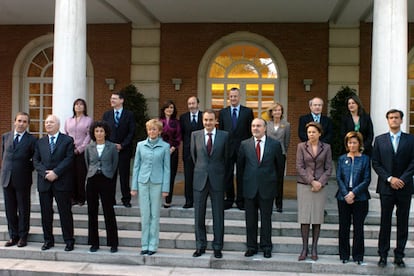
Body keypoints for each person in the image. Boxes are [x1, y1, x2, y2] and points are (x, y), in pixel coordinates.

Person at [372, 109, 414, 268]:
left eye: (396, 118)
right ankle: (382, 255)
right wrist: (390, 179)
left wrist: (402, 179)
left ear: (401, 120)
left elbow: (413, 162)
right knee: (385, 223)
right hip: (386, 188)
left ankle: (399, 256)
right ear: (387, 120)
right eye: (391, 118)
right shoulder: (380, 140)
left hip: (405, 187)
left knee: (403, 223)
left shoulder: (411, 140)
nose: (394, 120)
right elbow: (376, 163)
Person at [238, 118, 284, 259]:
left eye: (258, 126)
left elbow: (279, 169)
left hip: (267, 188)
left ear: (265, 128)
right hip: (249, 188)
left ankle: (266, 246)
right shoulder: (244, 144)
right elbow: (240, 169)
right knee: (250, 220)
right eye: (253, 126)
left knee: (266, 220)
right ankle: (251, 246)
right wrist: (240, 192)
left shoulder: (275, 145)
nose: (255, 128)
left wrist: (277, 192)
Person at [33, 114, 75, 251]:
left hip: (61, 181)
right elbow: (36, 161)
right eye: (46, 123)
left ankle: (69, 240)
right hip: (44, 182)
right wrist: (46, 173)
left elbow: (69, 159)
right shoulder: (40, 142)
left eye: (51, 122)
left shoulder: (67, 140)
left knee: (65, 212)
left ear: (58, 125)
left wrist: (56, 172)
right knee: (46, 213)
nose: (48, 125)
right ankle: (48, 240)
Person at [191, 110, 228, 259]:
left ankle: (217, 246)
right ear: (202, 120)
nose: (208, 123)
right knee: (198, 215)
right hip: (200, 179)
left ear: (215, 121)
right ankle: (200, 245)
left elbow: (227, 158)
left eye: (211, 120)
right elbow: (194, 156)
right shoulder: (195, 135)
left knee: (218, 215)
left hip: (217, 180)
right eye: (205, 120)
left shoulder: (224, 136)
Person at [131, 119, 170, 256]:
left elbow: (167, 169)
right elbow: (136, 166)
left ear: (159, 131)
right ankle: (144, 244)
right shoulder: (140, 145)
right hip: (142, 182)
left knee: (155, 215)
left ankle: (153, 245)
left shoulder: (165, 147)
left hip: (157, 183)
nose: (152, 132)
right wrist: (134, 186)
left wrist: (166, 188)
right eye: (149, 129)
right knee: (144, 215)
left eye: (154, 129)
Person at [296, 122, 332, 261]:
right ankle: (304, 248)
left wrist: (320, 182)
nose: (311, 134)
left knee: (317, 218)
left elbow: (329, 168)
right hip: (305, 185)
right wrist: (312, 181)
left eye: (313, 132)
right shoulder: (301, 146)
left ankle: (314, 248)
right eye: (309, 132)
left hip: (321, 186)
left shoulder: (327, 147)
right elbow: (299, 167)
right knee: (305, 218)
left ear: (319, 133)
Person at [1, 112, 37, 248]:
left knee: (23, 209)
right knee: (10, 209)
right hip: (6, 179)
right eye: (19, 121)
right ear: (14, 121)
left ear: (27, 124)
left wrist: (27, 170)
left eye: (24, 122)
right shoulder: (5, 137)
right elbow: (3, 155)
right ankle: (13, 235)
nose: (21, 124)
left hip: (23, 179)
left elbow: (35, 159)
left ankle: (23, 236)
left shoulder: (32, 140)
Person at [336, 131, 370, 265]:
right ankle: (344, 255)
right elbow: (339, 177)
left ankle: (358, 256)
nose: (352, 145)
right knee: (344, 227)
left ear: (359, 144)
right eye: (350, 142)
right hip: (343, 197)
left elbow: (367, 179)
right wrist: (346, 194)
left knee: (358, 228)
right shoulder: (342, 158)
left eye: (354, 142)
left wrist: (354, 193)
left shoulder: (365, 159)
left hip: (360, 197)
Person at [84, 121, 119, 253]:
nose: (99, 133)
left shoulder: (112, 147)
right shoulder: (89, 147)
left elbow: (114, 164)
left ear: (106, 133)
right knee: (92, 212)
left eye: (101, 131)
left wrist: (108, 174)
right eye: (97, 131)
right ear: (93, 133)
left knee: (108, 211)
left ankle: (113, 243)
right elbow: (88, 163)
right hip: (92, 179)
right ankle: (94, 242)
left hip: (106, 179)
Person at [219, 87, 254, 210]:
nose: (233, 98)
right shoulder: (223, 112)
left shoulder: (247, 112)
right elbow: (221, 132)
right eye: (231, 96)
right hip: (227, 149)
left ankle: (241, 200)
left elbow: (250, 132)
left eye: (235, 96)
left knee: (242, 175)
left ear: (239, 97)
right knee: (227, 175)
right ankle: (229, 199)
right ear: (229, 97)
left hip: (242, 149)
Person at [102, 92, 136, 208]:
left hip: (124, 150)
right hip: (110, 150)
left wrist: (122, 145)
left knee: (124, 176)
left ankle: (126, 199)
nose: (112, 100)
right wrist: (111, 145)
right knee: (110, 176)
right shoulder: (107, 115)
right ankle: (110, 199)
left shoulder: (129, 115)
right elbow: (103, 131)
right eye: (111, 98)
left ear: (122, 100)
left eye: (115, 98)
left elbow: (131, 132)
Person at [64, 98, 93, 206]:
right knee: (70, 175)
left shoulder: (88, 120)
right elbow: (66, 134)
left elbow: (89, 135)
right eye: (76, 104)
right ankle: (72, 197)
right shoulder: (68, 120)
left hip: (82, 152)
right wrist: (68, 148)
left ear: (84, 107)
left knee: (80, 175)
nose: (78, 106)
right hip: (70, 151)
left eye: (81, 104)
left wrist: (80, 148)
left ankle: (81, 198)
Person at [266, 102, 291, 212]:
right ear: (271, 112)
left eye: (279, 110)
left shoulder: (286, 125)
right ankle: (268, 203)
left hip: (280, 154)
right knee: (268, 179)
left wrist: (284, 152)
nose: (277, 112)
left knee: (279, 179)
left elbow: (287, 141)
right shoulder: (266, 124)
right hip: (268, 154)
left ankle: (279, 204)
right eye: (275, 110)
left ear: (282, 112)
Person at [179, 96, 203, 208]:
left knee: (201, 178)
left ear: (198, 104)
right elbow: (182, 135)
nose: (191, 106)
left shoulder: (204, 116)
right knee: (188, 178)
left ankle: (200, 201)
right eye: (189, 104)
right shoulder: (183, 118)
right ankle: (189, 201)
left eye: (193, 103)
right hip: (188, 152)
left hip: (202, 152)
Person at [159, 100, 181, 208]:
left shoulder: (176, 122)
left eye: (171, 107)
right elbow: (156, 136)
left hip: (173, 152)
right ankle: (158, 198)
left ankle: (168, 200)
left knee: (171, 177)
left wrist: (172, 148)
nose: (169, 109)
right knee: (160, 176)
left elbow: (178, 137)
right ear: (164, 109)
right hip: (160, 153)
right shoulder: (159, 121)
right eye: (167, 107)